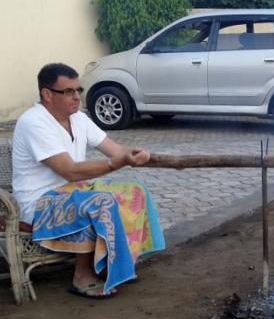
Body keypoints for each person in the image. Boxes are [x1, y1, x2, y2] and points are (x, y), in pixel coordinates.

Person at [12, 63, 165, 298]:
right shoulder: (34, 121)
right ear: (47, 94)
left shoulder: (78, 118)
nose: (76, 97)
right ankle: (81, 276)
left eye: (78, 90)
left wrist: (134, 153)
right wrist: (116, 163)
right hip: (40, 204)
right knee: (97, 202)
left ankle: (115, 263)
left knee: (135, 191)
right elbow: (70, 171)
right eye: (69, 91)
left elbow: (114, 149)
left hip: (72, 191)